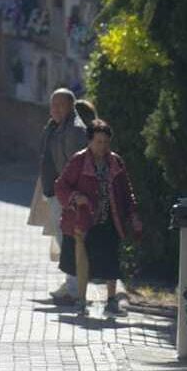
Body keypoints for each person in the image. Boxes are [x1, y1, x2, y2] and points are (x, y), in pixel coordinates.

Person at [54, 119, 140, 317]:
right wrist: (77, 197)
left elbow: (127, 191)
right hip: (84, 219)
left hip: (110, 217)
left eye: (106, 142)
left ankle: (111, 300)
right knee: (83, 261)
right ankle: (82, 302)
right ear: (90, 141)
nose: (102, 146)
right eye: (98, 142)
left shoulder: (116, 162)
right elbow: (61, 186)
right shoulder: (79, 160)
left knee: (111, 259)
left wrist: (133, 214)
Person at [31, 88, 87, 298]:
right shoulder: (57, 126)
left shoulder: (74, 130)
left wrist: (72, 195)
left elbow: (76, 166)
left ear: (70, 106)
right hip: (57, 192)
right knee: (62, 238)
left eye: (59, 105)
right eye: (52, 105)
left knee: (69, 239)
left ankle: (73, 288)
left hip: (67, 195)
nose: (53, 109)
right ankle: (71, 283)